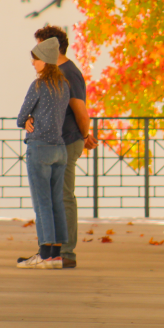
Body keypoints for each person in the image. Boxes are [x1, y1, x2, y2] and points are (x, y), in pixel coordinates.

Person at [21, 25, 97, 269]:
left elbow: (80, 111)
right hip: (60, 142)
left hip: (64, 142)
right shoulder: (57, 74)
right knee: (55, 198)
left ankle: (63, 253)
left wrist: (84, 136)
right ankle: (52, 250)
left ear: (48, 46)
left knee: (61, 198)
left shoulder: (67, 73)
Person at [16, 37, 72, 269]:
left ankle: (44, 254)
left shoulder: (38, 85)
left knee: (42, 203)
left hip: (39, 148)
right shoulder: (64, 85)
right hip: (60, 150)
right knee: (56, 200)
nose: (33, 63)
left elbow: (21, 117)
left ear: (45, 61)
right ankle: (57, 254)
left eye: (36, 59)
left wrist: (28, 119)